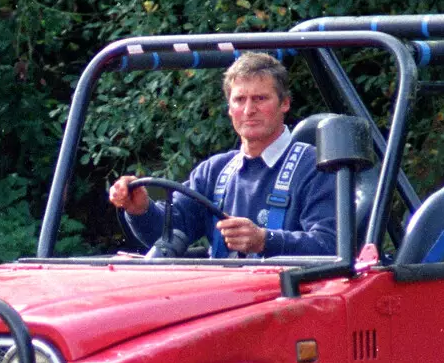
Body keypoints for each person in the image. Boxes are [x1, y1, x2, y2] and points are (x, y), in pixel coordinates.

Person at [108, 52, 337, 257]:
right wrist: (140, 210)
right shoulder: (213, 172)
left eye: (260, 98)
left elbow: (331, 245)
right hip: (226, 297)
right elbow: (168, 236)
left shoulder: (317, 167)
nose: (248, 110)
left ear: (284, 103)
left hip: (290, 298)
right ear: (229, 108)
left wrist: (265, 241)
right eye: (239, 100)